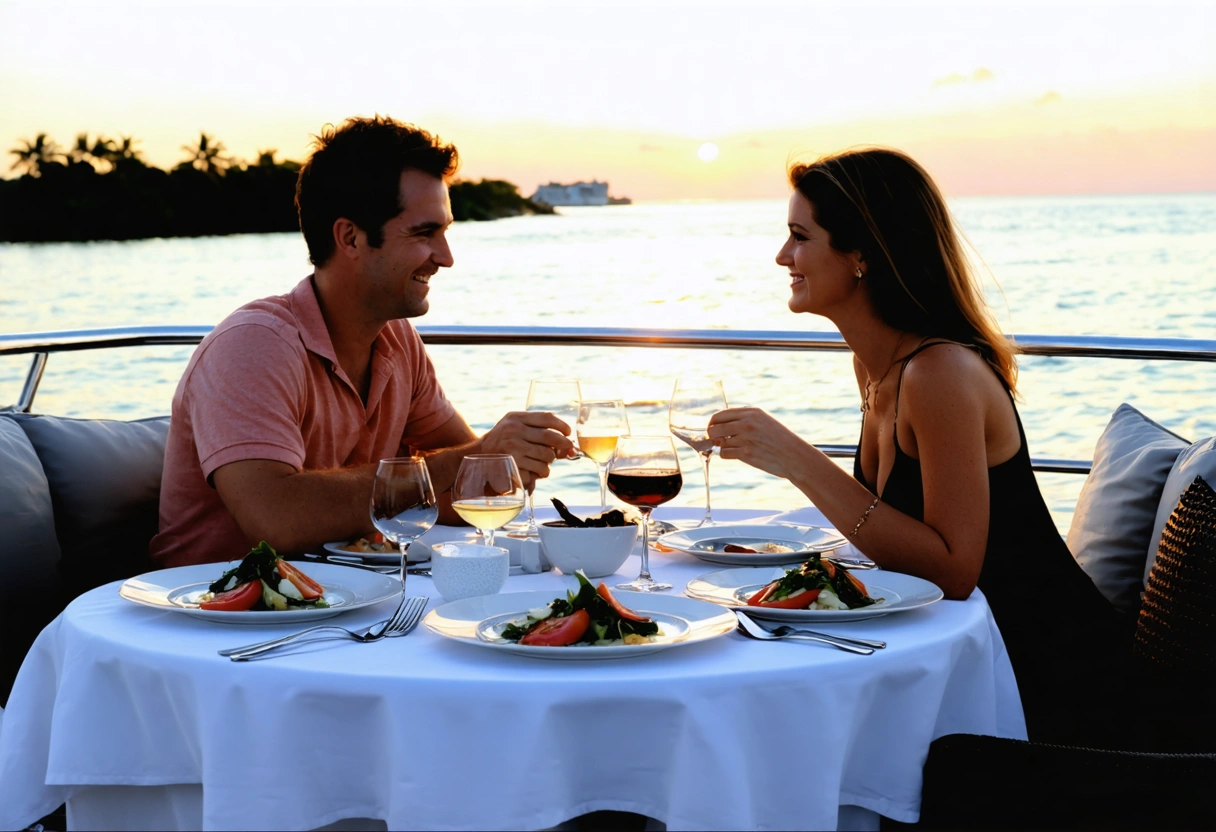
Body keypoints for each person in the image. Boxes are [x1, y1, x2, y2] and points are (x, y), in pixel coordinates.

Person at [706, 148, 1133, 746]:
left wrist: (798, 461)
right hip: (971, 654)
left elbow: (955, 573)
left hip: (1050, 686)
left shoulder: (940, 373)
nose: (783, 257)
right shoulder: (876, 365)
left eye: (800, 238)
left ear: (861, 256)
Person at [151, 116, 573, 568]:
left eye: (445, 232)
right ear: (350, 237)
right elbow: (275, 518)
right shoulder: (254, 346)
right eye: (424, 233)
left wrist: (507, 462)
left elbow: (464, 497)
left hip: (343, 602)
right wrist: (470, 458)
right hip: (211, 616)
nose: (446, 258)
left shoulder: (397, 340)